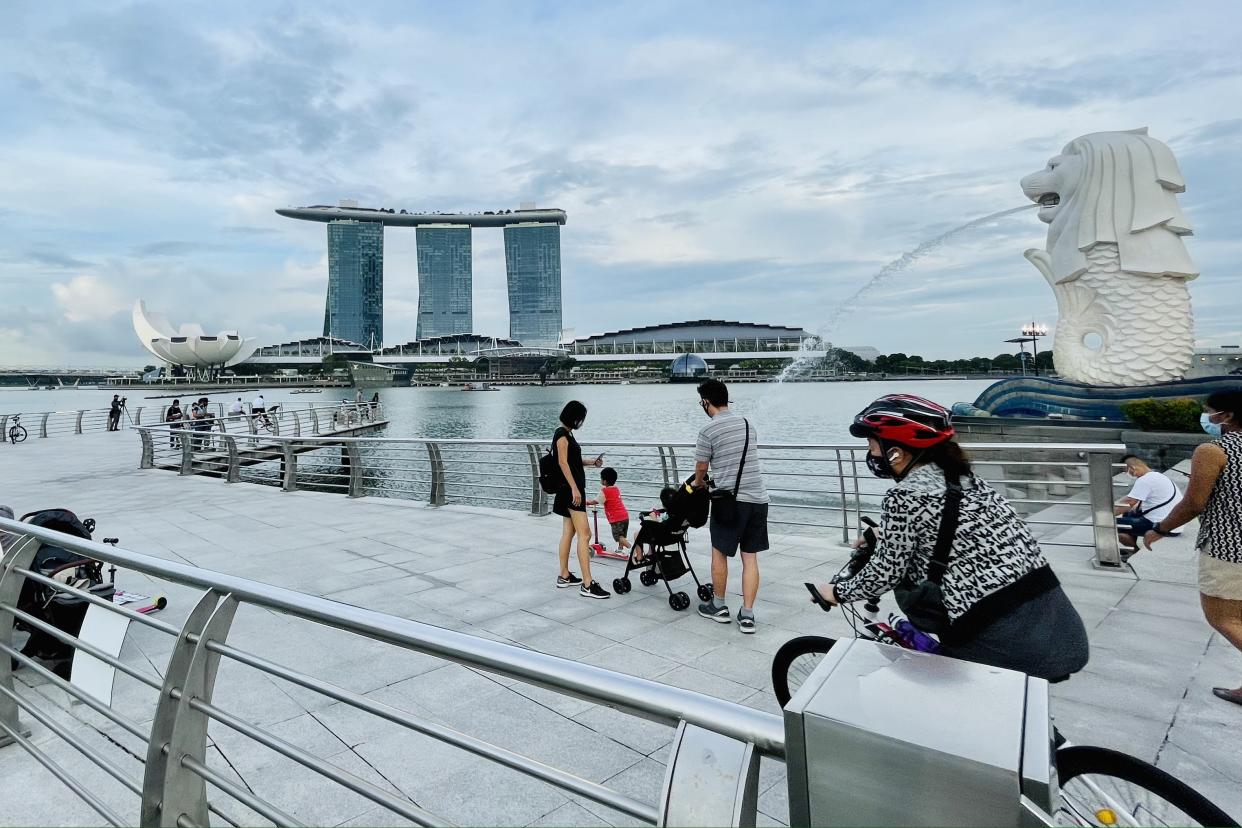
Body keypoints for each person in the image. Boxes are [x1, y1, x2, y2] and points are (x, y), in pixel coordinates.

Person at [815, 394, 1089, 682]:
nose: (871, 453)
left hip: (998, 636)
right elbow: (960, 534)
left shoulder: (904, 495)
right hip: (1057, 625)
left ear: (897, 451)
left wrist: (835, 592)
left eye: (872, 443)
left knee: (939, 707)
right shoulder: (965, 480)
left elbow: (886, 573)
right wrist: (885, 535)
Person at [1144, 389, 1242, 706]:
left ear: (1226, 416)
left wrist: (1159, 529)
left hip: (1229, 547)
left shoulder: (1213, 451)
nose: (1206, 416)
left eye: (1209, 410)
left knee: (1223, 618)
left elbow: (1194, 503)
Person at [692, 379, 768, 634]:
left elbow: (701, 468)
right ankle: (747, 615)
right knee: (750, 558)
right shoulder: (748, 424)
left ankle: (719, 606)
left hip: (730, 503)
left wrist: (700, 483)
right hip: (757, 499)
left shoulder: (708, 431)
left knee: (719, 553)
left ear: (705, 402)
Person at [552, 400, 609, 598]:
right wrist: (575, 489)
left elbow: (571, 461)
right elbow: (562, 463)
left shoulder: (567, 434)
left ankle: (564, 575)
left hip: (568, 490)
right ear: (574, 417)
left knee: (568, 532)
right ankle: (587, 584)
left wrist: (591, 462)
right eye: (580, 418)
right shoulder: (562, 436)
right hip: (571, 491)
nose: (581, 422)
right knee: (585, 535)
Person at [1115, 454, 1183, 556]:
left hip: (1160, 525)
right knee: (1128, 513)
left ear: (1132, 468)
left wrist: (1107, 514)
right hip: (1172, 524)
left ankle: (1135, 553)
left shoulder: (1145, 480)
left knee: (1112, 525)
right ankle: (1130, 544)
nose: (1127, 474)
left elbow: (1129, 502)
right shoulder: (1157, 475)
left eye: (1126, 471)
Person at [587, 467, 632, 558]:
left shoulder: (604, 491)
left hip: (616, 518)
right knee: (622, 535)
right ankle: (620, 549)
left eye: (601, 479)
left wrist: (588, 502)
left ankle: (630, 547)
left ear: (605, 481)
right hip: (624, 516)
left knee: (618, 536)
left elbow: (597, 501)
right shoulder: (616, 489)